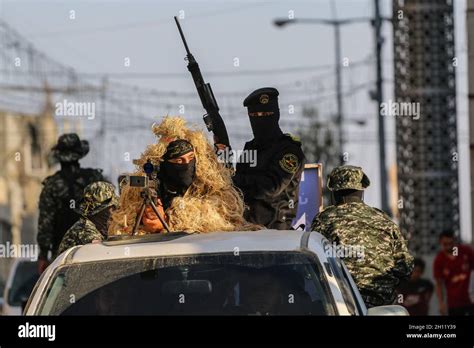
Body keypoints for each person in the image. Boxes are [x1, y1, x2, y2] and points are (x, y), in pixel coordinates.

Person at [108, 116, 260, 235]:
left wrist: (168, 220)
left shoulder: (211, 187)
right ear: (164, 165)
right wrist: (143, 222)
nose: (186, 166)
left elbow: (220, 217)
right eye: (178, 161)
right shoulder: (148, 186)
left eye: (190, 160)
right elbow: (121, 225)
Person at [311, 165, 414, 308]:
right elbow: (405, 269)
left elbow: (312, 263)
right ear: (361, 191)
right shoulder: (384, 221)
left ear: (334, 193)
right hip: (381, 306)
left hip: (342, 304)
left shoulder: (325, 219)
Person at [232, 87, 305, 229]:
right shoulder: (250, 148)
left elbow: (271, 187)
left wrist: (237, 180)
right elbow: (235, 186)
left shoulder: (289, 150)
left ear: (276, 114)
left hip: (276, 232)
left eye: (266, 113)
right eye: (255, 115)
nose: (260, 119)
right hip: (245, 228)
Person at [37, 133, 104, 273]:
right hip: (96, 249)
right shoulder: (94, 178)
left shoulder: (51, 185)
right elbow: (108, 212)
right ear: (79, 154)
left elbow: (45, 224)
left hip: (63, 254)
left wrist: (43, 255)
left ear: (59, 156)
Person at [57, 181, 118, 255]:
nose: (114, 212)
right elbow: (102, 251)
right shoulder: (84, 228)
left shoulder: (102, 226)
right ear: (97, 212)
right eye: (111, 208)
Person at [433, 230, 474, 316]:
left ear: (454, 241)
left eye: (450, 243)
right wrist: (441, 303)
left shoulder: (466, 252)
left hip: (470, 300)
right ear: (440, 243)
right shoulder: (439, 260)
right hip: (453, 303)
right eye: (445, 244)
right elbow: (439, 283)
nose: (448, 247)